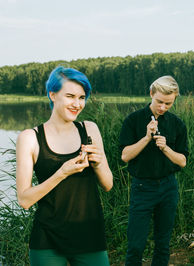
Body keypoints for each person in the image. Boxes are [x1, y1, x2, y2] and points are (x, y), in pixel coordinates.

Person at [16, 66, 113, 266]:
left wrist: (99, 161)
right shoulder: (30, 138)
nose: (77, 104)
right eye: (70, 96)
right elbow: (24, 200)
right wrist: (61, 173)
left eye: (81, 97)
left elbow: (108, 184)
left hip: (90, 235)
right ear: (52, 95)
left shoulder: (89, 129)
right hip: (47, 240)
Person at [119, 75, 189, 266]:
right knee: (135, 244)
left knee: (163, 244)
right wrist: (146, 138)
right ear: (151, 94)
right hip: (142, 188)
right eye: (159, 101)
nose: (163, 107)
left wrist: (166, 148)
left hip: (168, 187)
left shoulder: (177, 124)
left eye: (168, 103)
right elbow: (125, 156)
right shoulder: (133, 120)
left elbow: (182, 161)